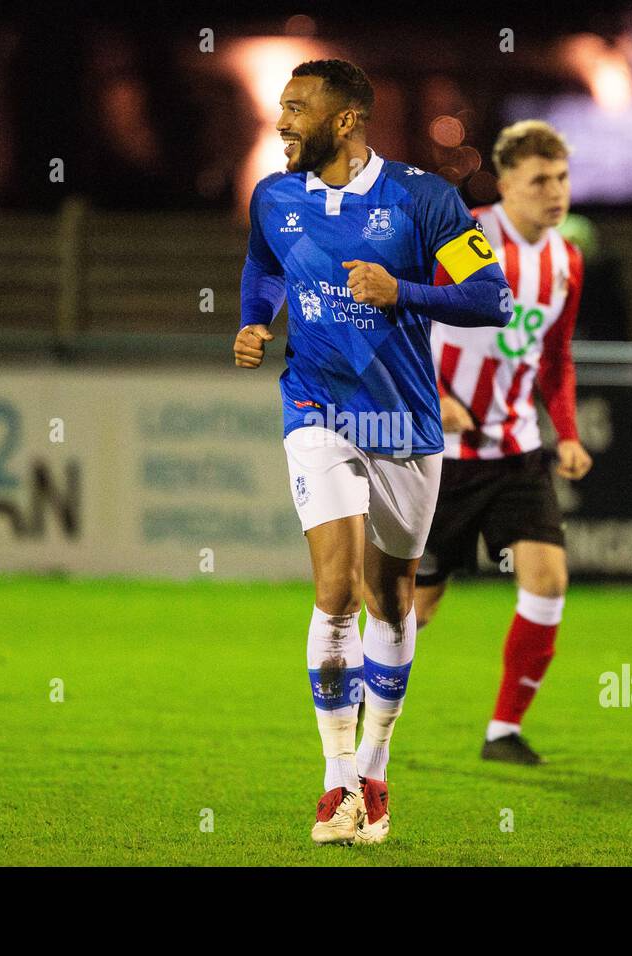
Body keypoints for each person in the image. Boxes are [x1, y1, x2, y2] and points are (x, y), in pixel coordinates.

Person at [233, 60, 511, 844]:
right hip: (317, 408)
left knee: (392, 598)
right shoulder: (275, 197)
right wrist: (259, 321)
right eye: (281, 106)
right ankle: (335, 782)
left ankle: (377, 766)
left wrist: (404, 292)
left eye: (296, 108)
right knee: (336, 589)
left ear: (347, 120)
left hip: (404, 426)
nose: (282, 120)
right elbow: (263, 267)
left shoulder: (424, 199)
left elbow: (490, 298)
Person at [414, 120, 592, 765]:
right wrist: (435, 395)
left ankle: (502, 733)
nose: (556, 192)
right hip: (441, 460)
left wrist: (565, 434)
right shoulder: (471, 239)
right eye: (540, 180)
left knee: (547, 582)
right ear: (508, 183)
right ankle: (357, 713)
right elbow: (408, 318)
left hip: (517, 452)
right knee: (419, 608)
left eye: (563, 178)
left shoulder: (566, 259)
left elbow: (555, 358)